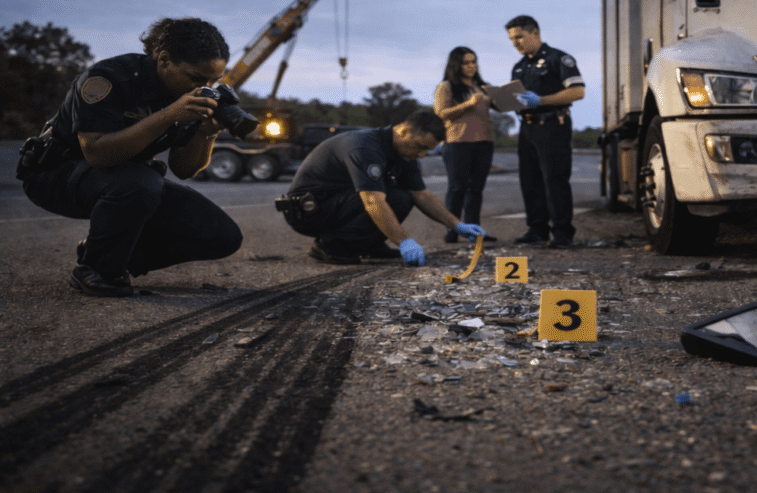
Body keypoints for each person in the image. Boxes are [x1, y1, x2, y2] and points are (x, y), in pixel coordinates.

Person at [17, 17, 244, 297]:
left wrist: (206, 133)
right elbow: (98, 154)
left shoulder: (190, 96)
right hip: (55, 173)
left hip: (127, 180)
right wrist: (168, 115)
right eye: (196, 78)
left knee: (222, 235)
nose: (205, 86)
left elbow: (184, 169)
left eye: (213, 80)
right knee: (142, 182)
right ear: (164, 59)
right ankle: (97, 269)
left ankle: (111, 254)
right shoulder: (109, 79)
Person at [277, 111, 486, 266]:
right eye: (421, 146)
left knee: (402, 198)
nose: (422, 155)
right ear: (404, 131)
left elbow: (422, 195)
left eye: (427, 150)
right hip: (308, 211)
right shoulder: (365, 147)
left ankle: (368, 245)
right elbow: (372, 201)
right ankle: (329, 245)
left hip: (336, 203)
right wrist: (404, 241)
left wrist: (457, 225)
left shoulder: (405, 153)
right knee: (385, 197)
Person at [505, 15, 585, 249]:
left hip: (552, 124)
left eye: (520, 37)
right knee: (529, 180)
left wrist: (541, 100)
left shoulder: (558, 59)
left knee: (554, 179)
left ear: (535, 33)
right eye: (512, 39)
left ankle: (562, 232)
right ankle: (537, 228)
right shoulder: (519, 67)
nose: (516, 43)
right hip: (527, 126)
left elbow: (577, 91)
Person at [433, 47, 497, 244]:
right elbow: (441, 113)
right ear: (456, 65)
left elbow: (501, 107)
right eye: (466, 63)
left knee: (476, 189)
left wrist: (499, 96)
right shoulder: (446, 86)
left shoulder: (482, 86)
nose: (471, 66)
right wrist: (468, 103)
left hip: (484, 143)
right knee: (457, 187)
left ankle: (474, 231)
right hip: (457, 143)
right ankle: (452, 229)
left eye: (473, 61)